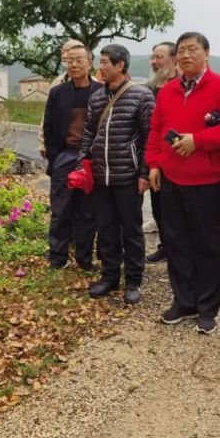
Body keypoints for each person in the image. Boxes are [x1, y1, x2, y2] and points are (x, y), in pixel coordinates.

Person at [146, 32, 220, 335]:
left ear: (206, 53)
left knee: (207, 245)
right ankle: (184, 301)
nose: (186, 56)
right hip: (171, 177)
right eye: (181, 51)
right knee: (176, 242)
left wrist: (197, 141)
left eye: (192, 50)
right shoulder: (168, 90)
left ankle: (207, 307)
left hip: (205, 180)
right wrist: (153, 164)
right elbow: (157, 128)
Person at [80, 45, 155, 305]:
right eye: (100, 62)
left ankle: (133, 280)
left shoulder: (142, 95)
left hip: (129, 176)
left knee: (131, 231)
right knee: (107, 229)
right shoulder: (97, 98)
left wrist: (144, 173)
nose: (100, 67)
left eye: (104, 63)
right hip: (101, 177)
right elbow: (89, 132)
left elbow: (149, 137)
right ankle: (109, 276)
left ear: (120, 65)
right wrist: (83, 161)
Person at [42, 46, 98, 271]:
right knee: (60, 210)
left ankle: (84, 259)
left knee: (88, 211)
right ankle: (57, 258)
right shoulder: (58, 92)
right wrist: (55, 158)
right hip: (65, 155)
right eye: (70, 61)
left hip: (91, 159)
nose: (74, 65)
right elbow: (49, 126)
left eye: (79, 60)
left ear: (90, 63)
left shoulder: (101, 91)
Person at [145, 42, 178, 265]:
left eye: (159, 57)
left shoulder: (180, 86)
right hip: (155, 156)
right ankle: (165, 245)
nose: (154, 62)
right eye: (153, 57)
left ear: (174, 59)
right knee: (157, 204)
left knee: (175, 207)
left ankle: (178, 247)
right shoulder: (150, 88)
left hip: (177, 156)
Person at [38, 39, 88, 160]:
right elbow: (47, 117)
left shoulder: (98, 88)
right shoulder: (57, 85)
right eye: (64, 52)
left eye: (69, 51)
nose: (65, 55)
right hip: (62, 151)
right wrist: (43, 143)